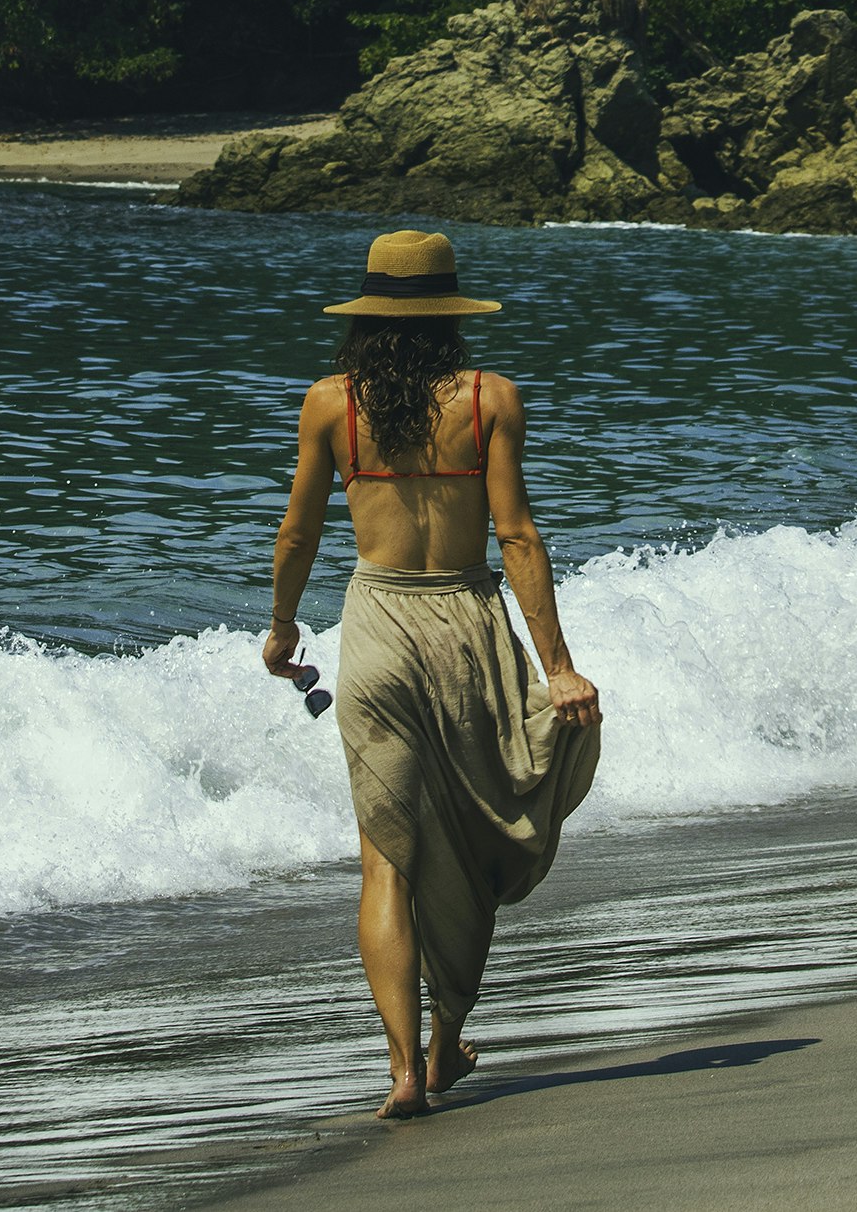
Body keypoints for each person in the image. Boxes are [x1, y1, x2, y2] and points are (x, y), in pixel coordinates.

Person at [264, 228, 604, 1120]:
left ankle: (407, 1068)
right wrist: (558, 667)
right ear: (454, 313)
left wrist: (279, 629)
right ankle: (448, 1032)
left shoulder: (329, 403)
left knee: (387, 860)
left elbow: (297, 532)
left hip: (375, 629)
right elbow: (517, 533)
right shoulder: (490, 398)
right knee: (468, 837)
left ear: (366, 317)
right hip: (464, 625)